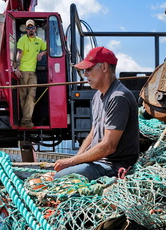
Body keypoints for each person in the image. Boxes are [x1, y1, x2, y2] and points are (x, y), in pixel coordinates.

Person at [53, 46, 139, 181]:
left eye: (89, 69)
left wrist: (71, 162)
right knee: (64, 173)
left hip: (114, 166)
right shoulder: (98, 96)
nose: (85, 74)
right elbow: (93, 132)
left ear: (104, 67)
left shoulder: (118, 97)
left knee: (60, 177)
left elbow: (108, 146)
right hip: (100, 162)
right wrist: (76, 159)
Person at [14, 19, 47, 128]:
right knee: (23, 96)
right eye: (28, 27)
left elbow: (48, 49)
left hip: (32, 72)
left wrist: (42, 53)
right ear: (26, 29)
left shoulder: (39, 41)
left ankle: (26, 119)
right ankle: (25, 120)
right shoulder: (22, 40)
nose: (30, 29)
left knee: (31, 95)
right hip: (23, 71)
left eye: (32, 27)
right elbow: (19, 54)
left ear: (35, 28)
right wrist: (17, 68)